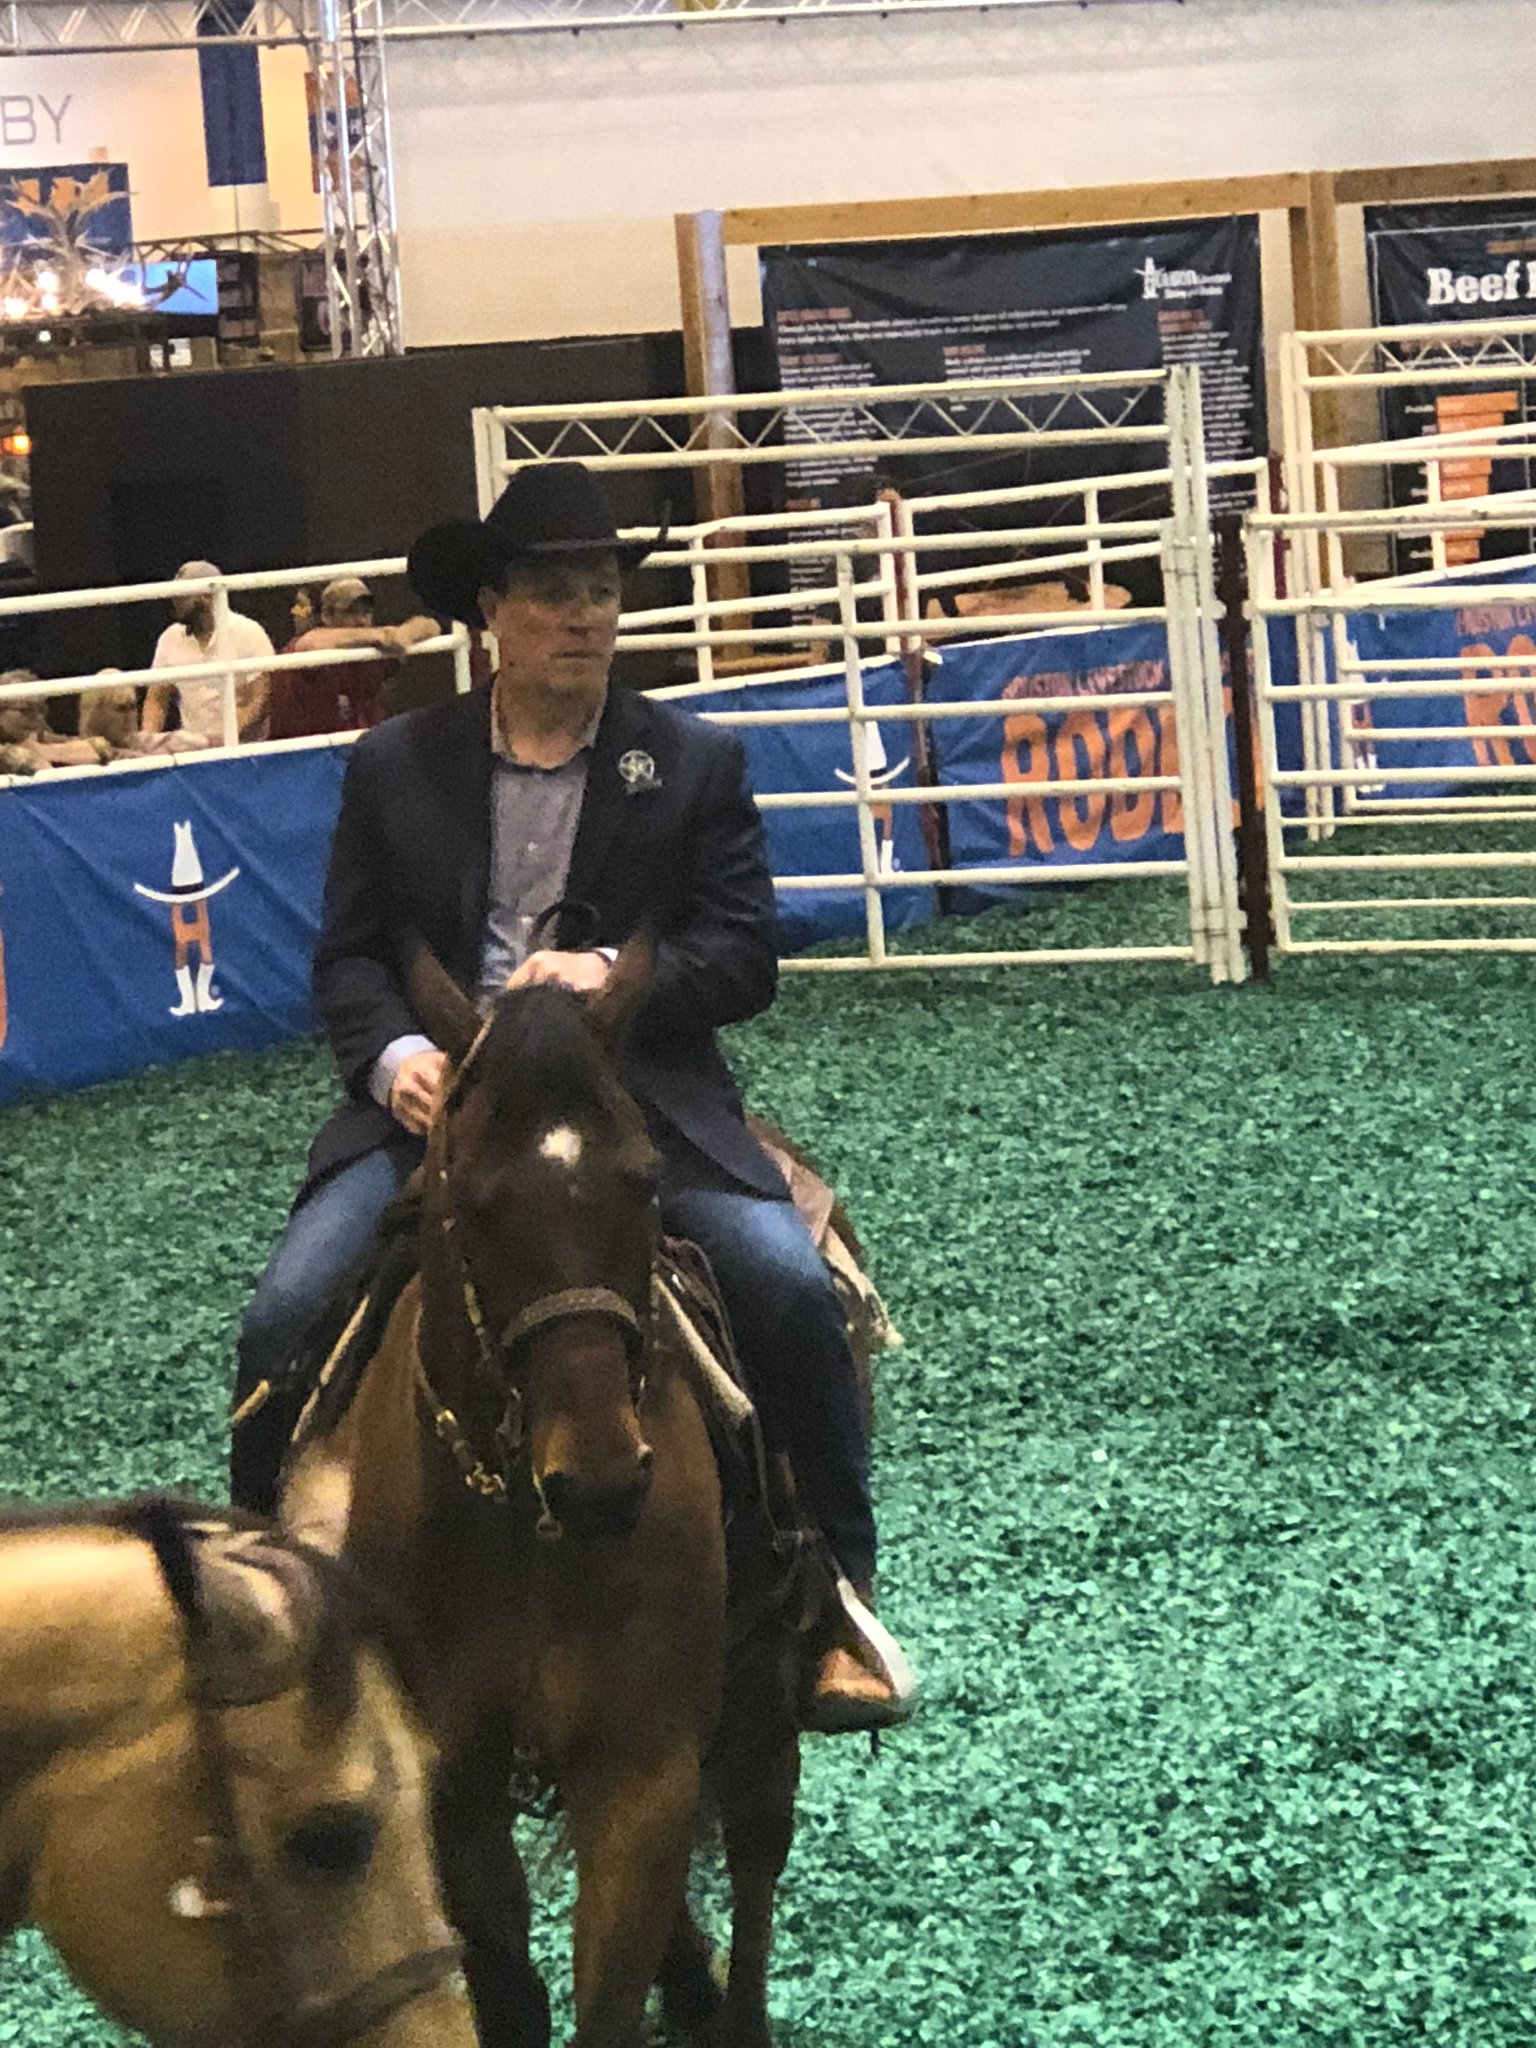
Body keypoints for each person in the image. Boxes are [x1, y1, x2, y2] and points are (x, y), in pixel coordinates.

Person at [232, 461, 914, 1731]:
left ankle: (837, 1599)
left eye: (600, 589)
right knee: (282, 1317)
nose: (584, 615)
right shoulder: (395, 764)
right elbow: (351, 956)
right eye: (552, 592)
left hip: (634, 1099)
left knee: (782, 1284)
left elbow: (743, 953)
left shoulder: (693, 761)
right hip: (445, 1106)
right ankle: (276, 1636)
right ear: (492, 611)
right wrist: (395, 1058)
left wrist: (612, 975)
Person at [268, 576, 440, 740]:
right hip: (311, 752)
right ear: (327, 615)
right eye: (350, 612)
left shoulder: (372, 652)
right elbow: (310, 644)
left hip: (362, 745)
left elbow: (431, 626)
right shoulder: (305, 648)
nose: (361, 621)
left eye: (366, 612)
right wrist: (382, 635)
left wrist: (404, 633)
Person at [142, 561, 273, 746]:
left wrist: (225, 741)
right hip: (192, 748)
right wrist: (148, 740)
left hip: (244, 748)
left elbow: (260, 699)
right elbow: (156, 698)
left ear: (207, 596)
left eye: (182, 594)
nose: (174, 599)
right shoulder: (170, 638)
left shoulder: (249, 633)